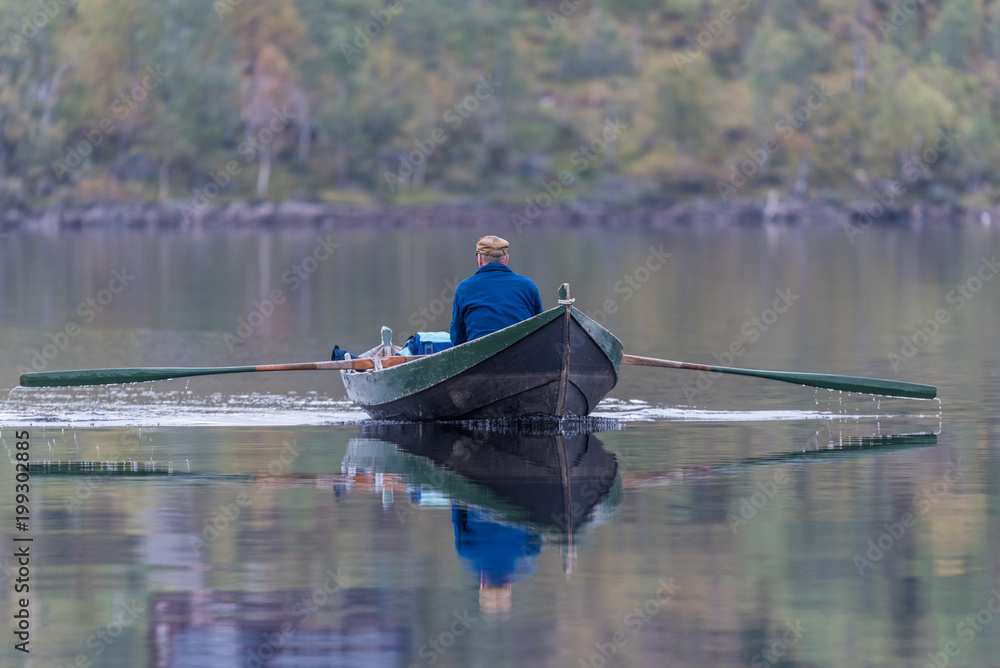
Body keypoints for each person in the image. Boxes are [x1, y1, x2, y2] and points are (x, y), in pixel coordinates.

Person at [450, 235, 543, 346]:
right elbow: (540, 328)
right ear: (506, 259)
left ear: (479, 259)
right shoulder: (528, 286)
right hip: (521, 354)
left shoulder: (464, 288)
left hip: (479, 356)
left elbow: (457, 338)